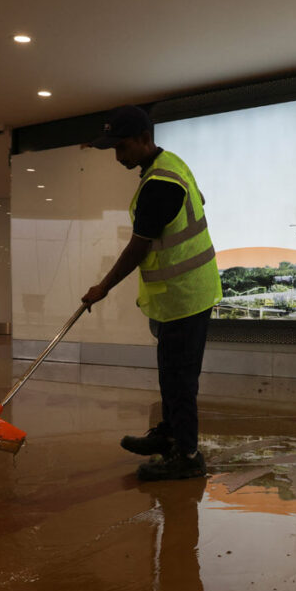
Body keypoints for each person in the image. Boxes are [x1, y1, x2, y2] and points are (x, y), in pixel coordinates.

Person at [82, 105, 222, 481]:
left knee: (180, 379)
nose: (117, 156)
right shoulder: (168, 164)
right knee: (170, 374)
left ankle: (187, 455)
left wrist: (102, 288)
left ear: (145, 139)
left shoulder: (160, 184)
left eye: (122, 146)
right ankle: (170, 434)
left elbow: (138, 248)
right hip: (176, 294)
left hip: (185, 294)